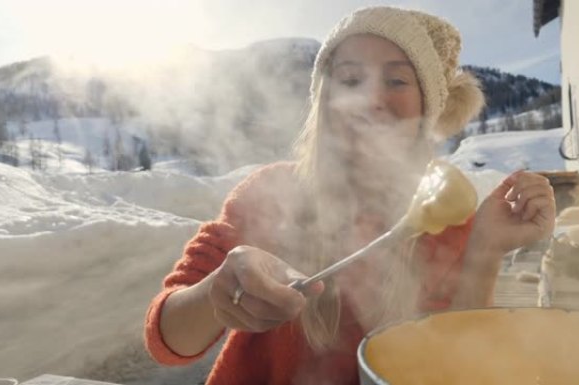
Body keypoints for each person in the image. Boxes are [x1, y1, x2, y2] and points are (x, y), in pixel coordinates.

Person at [144, 6, 556, 385]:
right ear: (325, 102)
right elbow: (168, 341)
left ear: (425, 109)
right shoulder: (271, 195)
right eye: (350, 79)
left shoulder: (449, 221)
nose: (371, 98)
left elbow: (457, 365)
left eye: (396, 80)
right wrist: (219, 291)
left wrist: (485, 251)